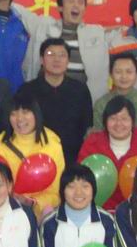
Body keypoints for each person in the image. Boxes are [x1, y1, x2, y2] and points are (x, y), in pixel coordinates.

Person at [16, 0, 110, 99]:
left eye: (80, 2)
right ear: (60, 8)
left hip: (82, 100)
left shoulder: (97, 33)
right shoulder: (43, 26)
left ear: (84, 9)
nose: (76, 5)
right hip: (42, 98)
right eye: (71, 1)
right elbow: (18, 10)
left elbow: (122, 37)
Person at [0, 90, 66, 214]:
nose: (19, 119)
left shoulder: (52, 143)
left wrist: (34, 202)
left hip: (42, 214)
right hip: (5, 210)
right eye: (13, 113)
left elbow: (57, 192)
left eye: (25, 112)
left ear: (36, 113)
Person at [77, 96, 137, 210]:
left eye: (124, 119)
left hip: (136, 212)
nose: (118, 124)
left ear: (132, 121)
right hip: (96, 210)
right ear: (105, 121)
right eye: (113, 118)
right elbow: (79, 179)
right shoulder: (91, 144)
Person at [23, 39, 94, 167]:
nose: (56, 59)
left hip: (73, 159)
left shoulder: (80, 90)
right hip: (36, 158)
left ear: (68, 61)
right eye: (50, 54)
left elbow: (87, 126)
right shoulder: (27, 91)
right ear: (41, 60)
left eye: (62, 55)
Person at [92, 53, 137, 142]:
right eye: (118, 72)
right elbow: (98, 137)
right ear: (111, 75)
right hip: (107, 150)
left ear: (136, 74)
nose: (124, 76)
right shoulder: (101, 103)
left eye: (129, 72)